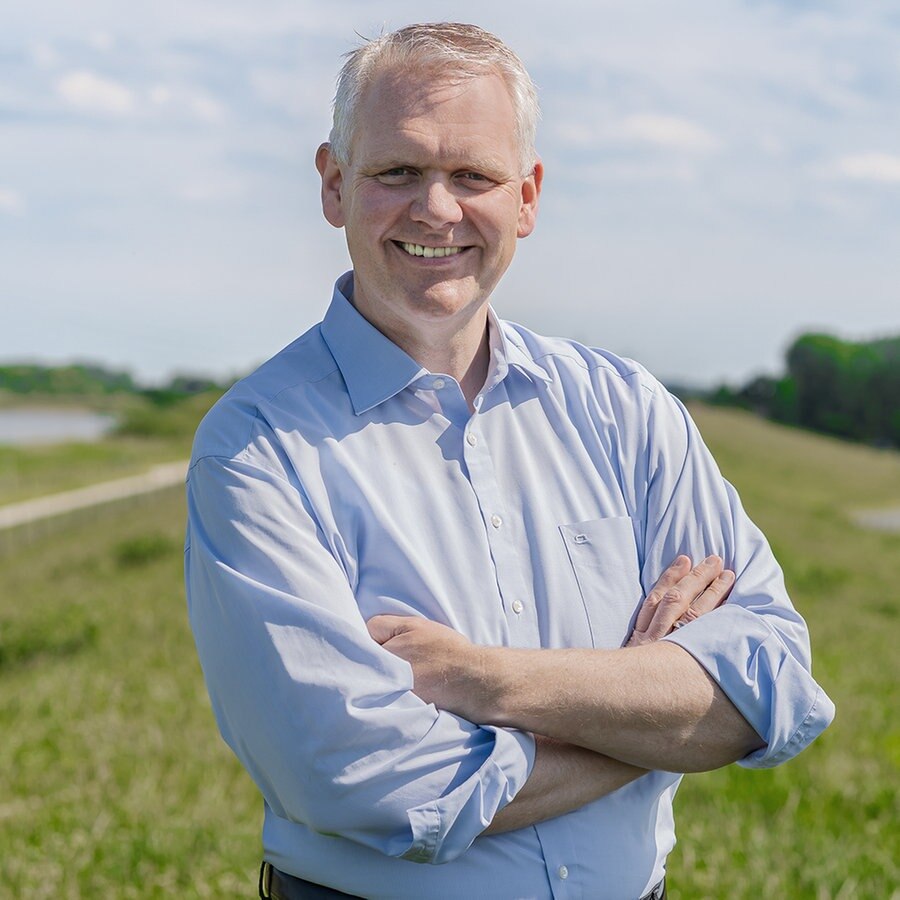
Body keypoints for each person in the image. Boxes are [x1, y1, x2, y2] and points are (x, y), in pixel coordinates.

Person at [185, 22, 834, 900]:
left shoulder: (627, 409)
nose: (437, 209)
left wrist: (474, 677)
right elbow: (368, 781)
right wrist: (653, 717)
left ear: (526, 198)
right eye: (397, 172)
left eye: (475, 176)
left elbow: (773, 686)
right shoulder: (255, 449)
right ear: (335, 185)